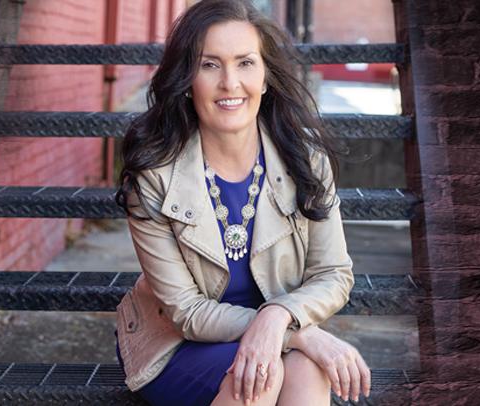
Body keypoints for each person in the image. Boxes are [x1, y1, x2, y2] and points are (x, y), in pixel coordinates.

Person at [113, 0, 370, 405]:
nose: (230, 82)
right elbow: (186, 312)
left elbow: (334, 274)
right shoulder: (154, 176)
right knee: (261, 376)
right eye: (210, 64)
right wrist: (293, 330)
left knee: (307, 369)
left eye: (246, 63)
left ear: (266, 77)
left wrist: (277, 318)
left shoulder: (306, 162)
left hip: (274, 340)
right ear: (186, 79)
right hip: (176, 344)